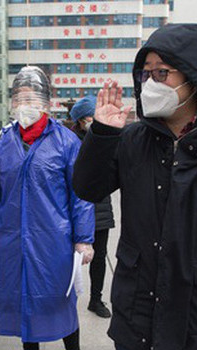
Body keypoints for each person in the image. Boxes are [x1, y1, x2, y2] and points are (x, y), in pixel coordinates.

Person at [73, 23, 197, 350]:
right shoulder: (132, 138)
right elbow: (87, 188)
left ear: (193, 75)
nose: (151, 82)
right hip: (140, 308)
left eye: (162, 72)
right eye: (145, 73)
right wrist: (102, 133)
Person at [0, 66, 95, 350]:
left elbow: (81, 195)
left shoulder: (66, 141)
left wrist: (83, 239)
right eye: (19, 97)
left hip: (53, 241)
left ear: (46, 102)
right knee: (21, 300)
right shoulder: (3, 143)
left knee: (60, 300)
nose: (25, 103)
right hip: (12, 240)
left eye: (31, 97)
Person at [70, 96, 115, 318]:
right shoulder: (70, 142)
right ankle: (66, 297)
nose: (93, 119)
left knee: (99, 256)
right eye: (89, 116)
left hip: (100, 207)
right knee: (69, 257)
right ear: (79, 120)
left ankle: (96, 299)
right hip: (76, 208)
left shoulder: (105, 138)